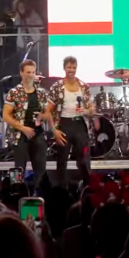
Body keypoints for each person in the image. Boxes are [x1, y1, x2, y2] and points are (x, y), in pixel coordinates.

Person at [46, 56, 96, 187]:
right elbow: (47, 111)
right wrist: (54, 130)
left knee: (84, 160)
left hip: (79, 124)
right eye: (69, 67)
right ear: (64, 68)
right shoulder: (57, 86)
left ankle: (87, 189)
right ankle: (62, 192)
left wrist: (85, 111)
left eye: (74, 68)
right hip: (64, 124)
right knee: (62, 161)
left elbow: (92, 110)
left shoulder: (83, 86)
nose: (71, 70)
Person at [3, 60, 51, 192]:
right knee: (18, 170)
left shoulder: (41, 93)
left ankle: (38, 198)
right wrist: (23, 128)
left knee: (41, 171)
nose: (31, 75)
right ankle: (15, 196)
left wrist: (43, 116)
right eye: (28, 72)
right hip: (20, 135)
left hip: (38, 134)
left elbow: (48, 113)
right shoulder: (14, 92)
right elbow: (6, 116)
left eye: (33, 72)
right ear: (21, 73)